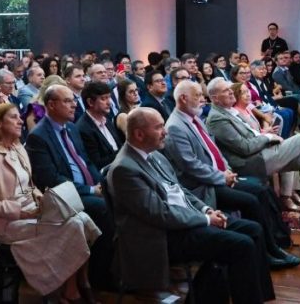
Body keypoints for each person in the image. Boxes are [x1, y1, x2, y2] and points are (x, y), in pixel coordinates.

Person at [108, 107, 275, 302]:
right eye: (159, 127)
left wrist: (206, 209)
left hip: (183, 221)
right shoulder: (124, 169)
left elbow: (180, 190)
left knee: (253, 229)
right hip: (161, 236)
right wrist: (205, 219)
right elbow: (160, 214)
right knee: (241, 245)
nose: (165, 131)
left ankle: (259, 295)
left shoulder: (154, 155)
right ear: (139, 134)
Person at [163, 81, 300, 269]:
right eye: (198, 95)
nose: (202, 99)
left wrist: (227, 170)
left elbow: (214, 152)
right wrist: (221, 177)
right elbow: (191, 166)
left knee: (262, 190)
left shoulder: (194, 119)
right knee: (252, 198)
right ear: (183, 98)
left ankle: (274, 245)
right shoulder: (176, 126)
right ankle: (267, 254)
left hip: (218, 176)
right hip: (203, 186)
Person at [0, 103, 100, 303]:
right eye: (14, 117)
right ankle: (73, 289)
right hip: (8, 222)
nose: (21, 120)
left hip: (32, 210)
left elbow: (30, 186)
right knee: (74, 224)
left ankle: (77, 283)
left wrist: (42, 198)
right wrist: (23, 213)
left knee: (81, 218)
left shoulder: (17, 148)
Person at [204, 78, 300, 225]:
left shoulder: (231, 112)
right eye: (226, 91)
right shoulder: (217, 119)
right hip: (252, 162)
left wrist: (266, 135)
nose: (231, 92)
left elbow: (253, 135)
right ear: (215, 98)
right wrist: (269, 137)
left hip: (263, 153)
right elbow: (245, 148)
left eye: (230, 89)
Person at [24, 84, 114, 282]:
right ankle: (99, 275)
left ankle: (121, 265)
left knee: (121, 197)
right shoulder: (38, 137)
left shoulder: (71, 128)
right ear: (51, 105)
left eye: (73, 100)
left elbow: (86, 161)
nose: (74, 105)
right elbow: (51, 179)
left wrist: (101, 184)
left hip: (86, 188)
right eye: (67, 101)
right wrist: (90, 190)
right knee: (104, 208)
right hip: (62, 196)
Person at [76, 81, 122, 172]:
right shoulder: (83, 129)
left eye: (109, 97)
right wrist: (124, 152)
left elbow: (118, 146)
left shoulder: (107, 120)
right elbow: (97, 163)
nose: (109, 103)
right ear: (90, 102)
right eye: (103, 98)